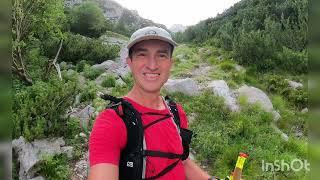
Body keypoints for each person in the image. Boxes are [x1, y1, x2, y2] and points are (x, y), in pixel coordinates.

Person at [88, 26, 217, 180]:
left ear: (171, 63)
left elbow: (182, 161)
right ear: (130, 62)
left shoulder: (176, 112)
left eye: (161, 55)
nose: (152, 65)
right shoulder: (112, 121)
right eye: (142, 54)